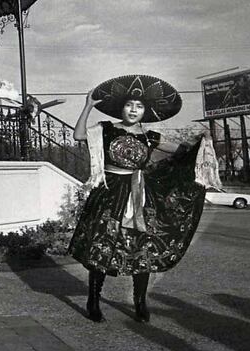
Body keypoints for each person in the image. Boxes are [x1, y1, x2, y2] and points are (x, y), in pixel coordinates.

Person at [69, 74, 221, 324]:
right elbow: (78, 136)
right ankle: (93, 300)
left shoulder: (150, 137)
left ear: (144, 111)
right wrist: (87, 106)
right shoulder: (106, 129)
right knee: (101, 244)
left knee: (143, 248)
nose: (133, 110)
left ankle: (140, 302)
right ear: (122, 108)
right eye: (129, 105)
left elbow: (183, 151)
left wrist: (201, 143)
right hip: (109, 194)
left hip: (141, 195)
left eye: (139, 107)